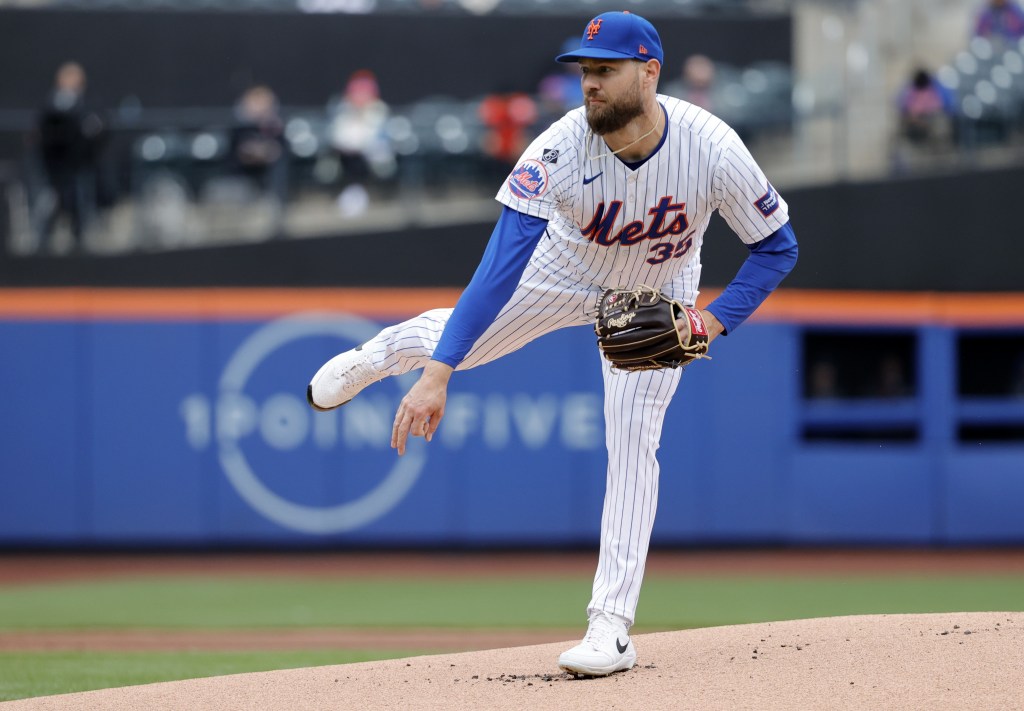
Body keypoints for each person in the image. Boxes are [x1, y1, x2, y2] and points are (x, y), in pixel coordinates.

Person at [307, 12, 798, 677]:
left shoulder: (711, 145)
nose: (589, 84)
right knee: (465, 342)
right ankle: (380, 356)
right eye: (584, 71)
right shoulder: (558, 149)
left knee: (633, 437)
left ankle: (611, 627)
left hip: (658, 293)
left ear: (650, 70)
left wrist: (713, 321)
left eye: (605, 70)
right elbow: (496, 271)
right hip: (563, 271)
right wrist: (438, 372)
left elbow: (776, 246)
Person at [35, 61, 105, 254]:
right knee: (50, 204)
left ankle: (80, 241)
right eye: (68, 78)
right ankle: (42, 243)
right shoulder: (53, 103)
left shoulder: (87, 104)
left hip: (80, 167)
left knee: (81, 205)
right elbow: (46, 130)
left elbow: (97, 127)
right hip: (54, 169)